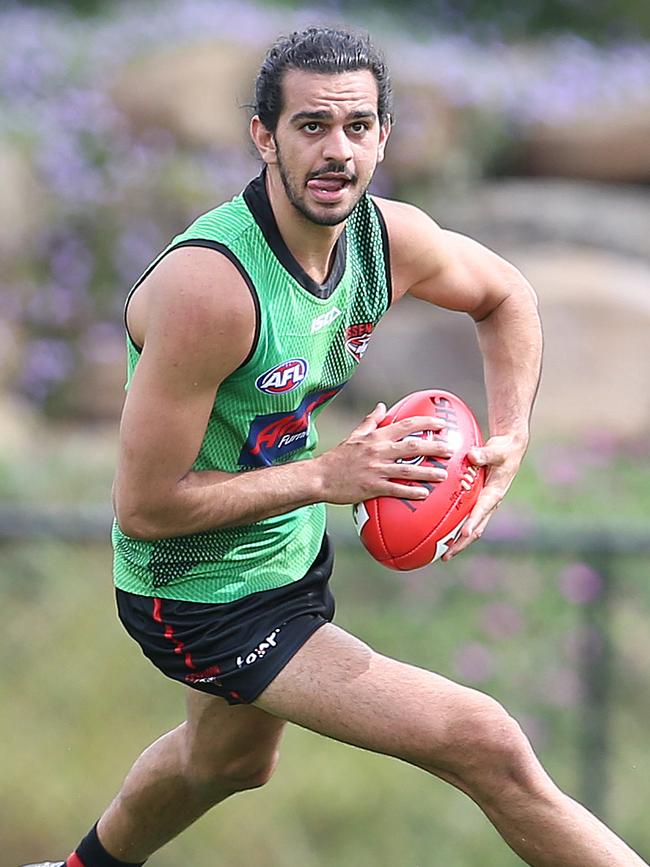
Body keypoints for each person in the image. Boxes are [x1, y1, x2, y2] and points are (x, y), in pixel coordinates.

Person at [25, 25, 647, 867]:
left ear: (385, 136)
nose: (336, 150)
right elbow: (143, 506)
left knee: (227, 762)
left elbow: (505, 295)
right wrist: (327, 475)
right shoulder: (211, 289)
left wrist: (510, 437)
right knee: (482, 737)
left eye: (357, 126)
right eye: (310, 125)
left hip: (287, 553)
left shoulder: (384, 241)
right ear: (263, 136)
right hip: (200, 591)